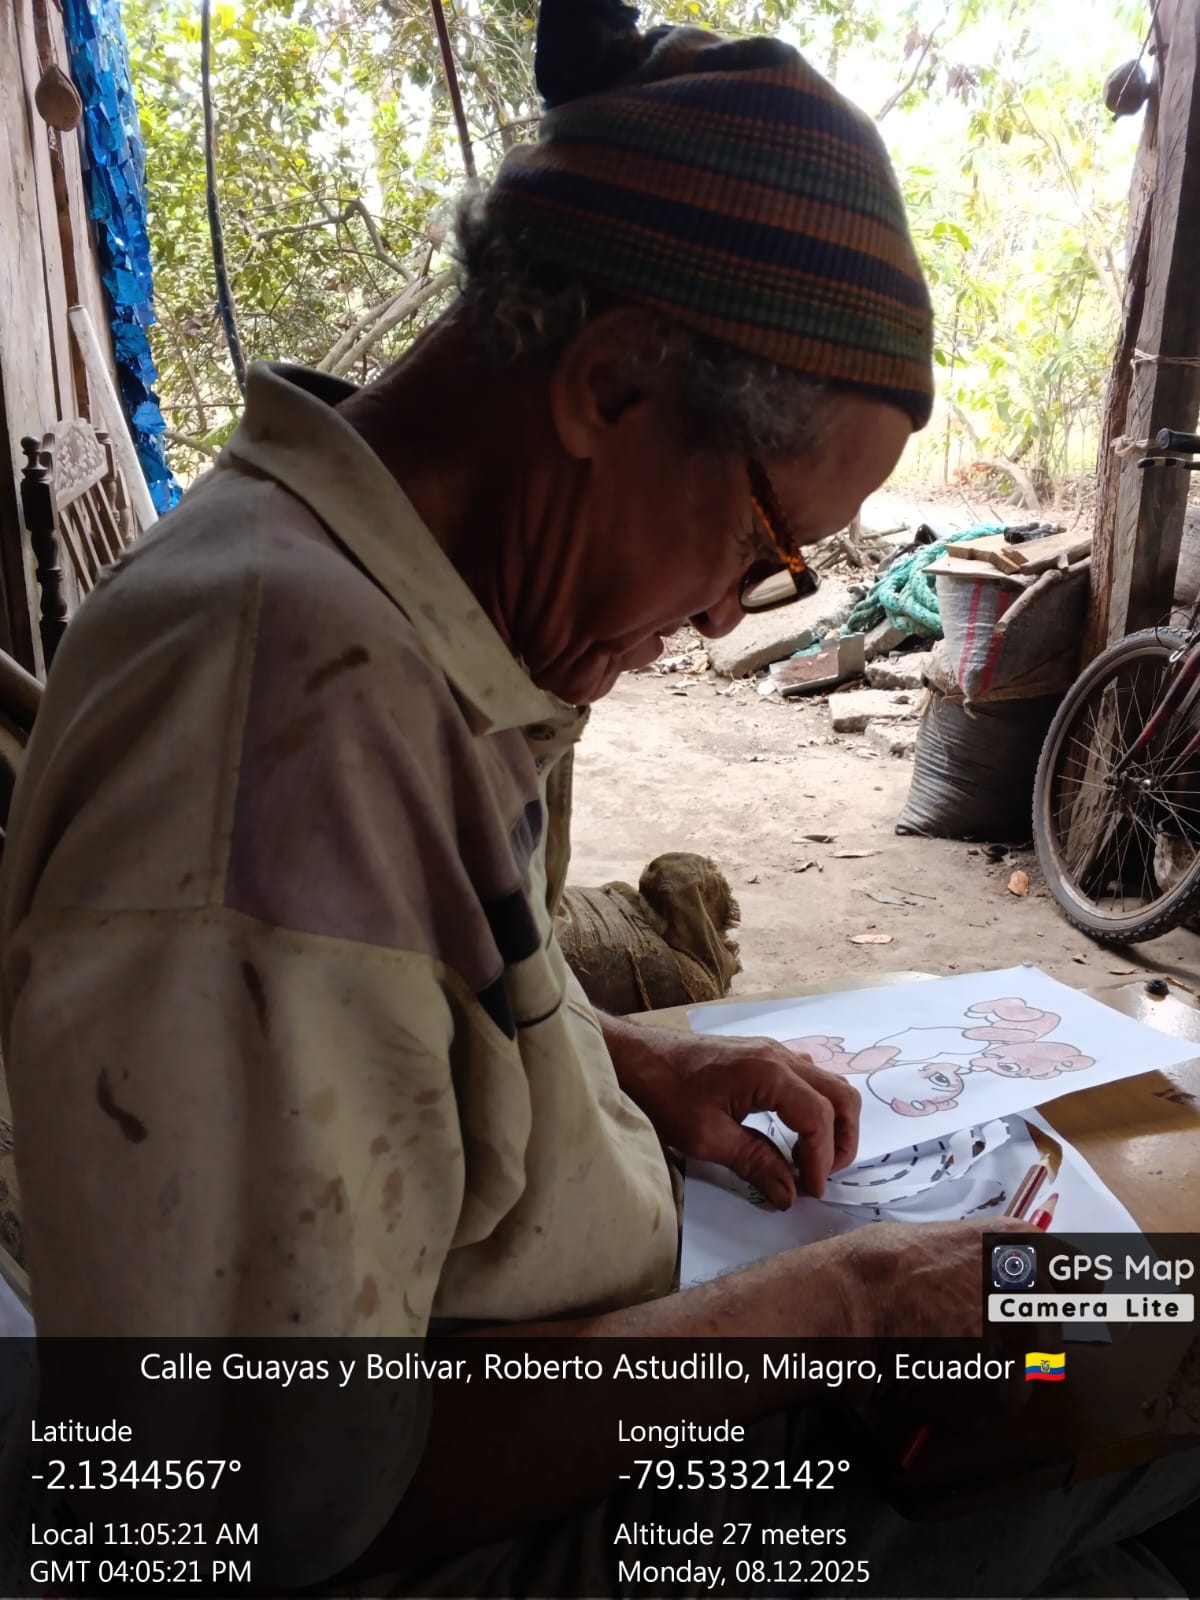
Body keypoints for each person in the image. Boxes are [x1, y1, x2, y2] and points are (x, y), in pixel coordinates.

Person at [1, 3, 1197, 1594]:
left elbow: (401, 1015)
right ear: (614, 385)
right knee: (1133, 1340)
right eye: (759, 543)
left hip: (575, 1319)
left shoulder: (398, 613)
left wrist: (630, 1062)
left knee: (1119, 1332)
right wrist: (843, 1308)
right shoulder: (284, 735)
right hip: (467, 1529)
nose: (717, 618)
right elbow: (251, 1495)